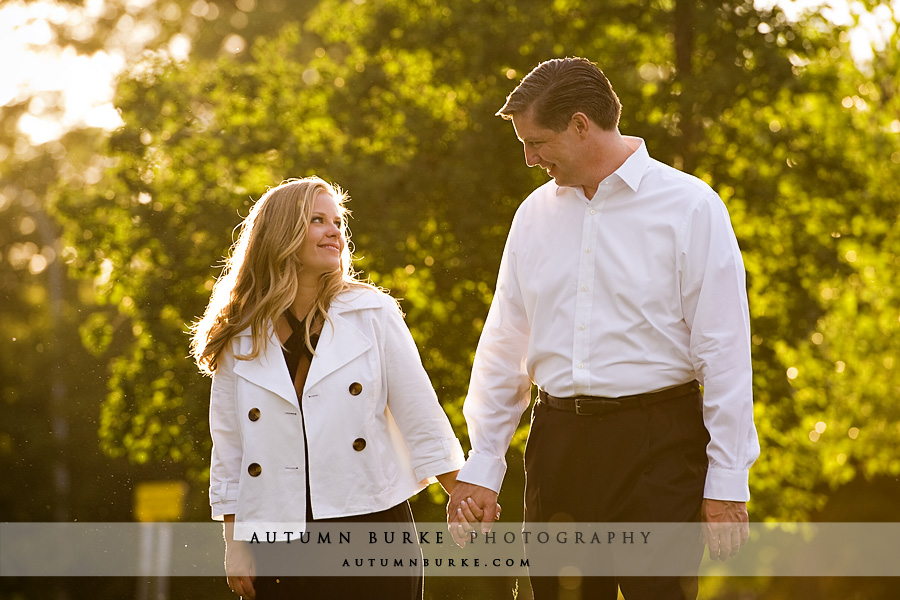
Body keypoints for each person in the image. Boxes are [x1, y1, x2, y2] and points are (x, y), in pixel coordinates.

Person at [446, 58, 760, 599]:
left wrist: (727, 479)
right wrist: (484, 464)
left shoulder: (690, 206)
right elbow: (505, 346)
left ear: (581, 124)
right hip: (559, 444)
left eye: (537, 141)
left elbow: (725, 352)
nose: (529, 159)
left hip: (659, 445)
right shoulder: (533, 216)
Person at [191, 176, 466, 599]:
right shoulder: (239, 333)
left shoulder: (372, 312)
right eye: (318, 220)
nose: (335, 230)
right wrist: (234, 544)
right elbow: (230, 449)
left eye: (338, 221)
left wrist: (463, 495)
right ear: (283, 233)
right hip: (277, 533)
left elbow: (420, 414)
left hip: (371, 523)